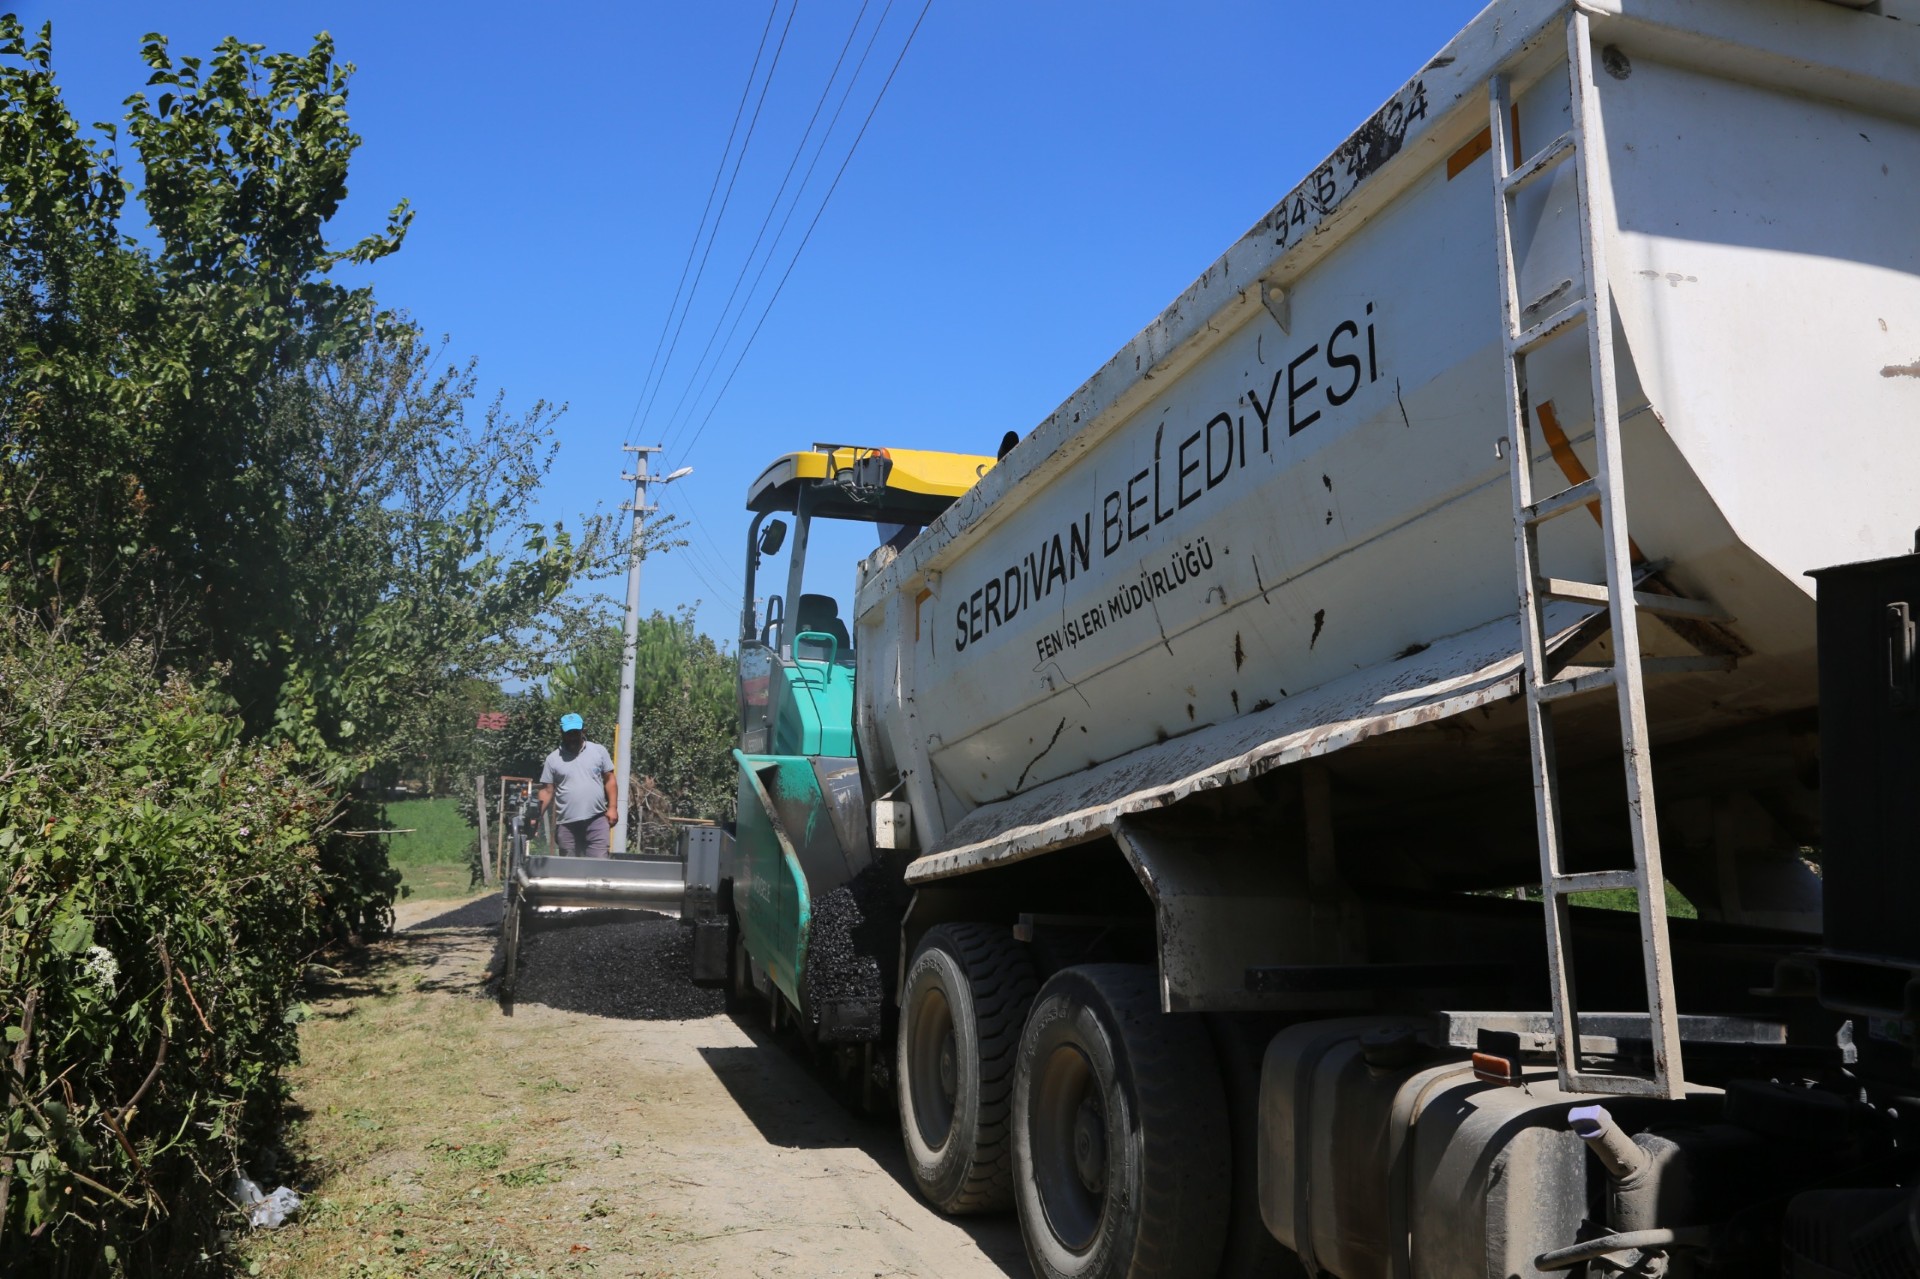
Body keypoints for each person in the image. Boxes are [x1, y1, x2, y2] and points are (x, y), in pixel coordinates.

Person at [537, 713, 617, 858]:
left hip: (597, 820)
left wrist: (612, 808)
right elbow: (547, 791)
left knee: (599, 866)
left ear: (582, 731)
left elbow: (610, 779)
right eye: (569, 733)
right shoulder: (553, 759)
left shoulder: (598, 751)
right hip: (567, 824)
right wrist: (536, 818)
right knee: (569, 871)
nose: (572, 737)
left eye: (575, 733)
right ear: (562, 732)